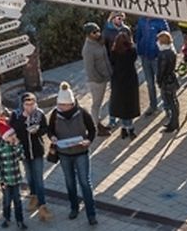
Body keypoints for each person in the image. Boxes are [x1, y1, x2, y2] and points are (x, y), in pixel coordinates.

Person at [47, 83, 98, 225]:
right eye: (60, 105)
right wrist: (52, 137)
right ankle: (74, 207)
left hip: (81, 152)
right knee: (69, 182)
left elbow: (92, 130)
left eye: (64, 105)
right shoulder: (55, 114)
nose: (61, 108)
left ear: (71, 104)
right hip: (64, 154)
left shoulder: (82, 113)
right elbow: (50, 130)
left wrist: (89, 141)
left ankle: (91, 214)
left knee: (85, 183)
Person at [11, 93, 51, 222]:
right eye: (27, 104)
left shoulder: (39, 114)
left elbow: (45, 128)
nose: (29, 107)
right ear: (22, 104)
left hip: (37, 150)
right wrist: (24, 119)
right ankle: (33, 196)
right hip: (24, 151)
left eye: (32, 104)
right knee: (29, 176)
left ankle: (42, 204)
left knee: (38, 178)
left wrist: (37, 131)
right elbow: (13, 129)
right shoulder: (16, 115)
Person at [0, 117, 27, 229]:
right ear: (5, 137)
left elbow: (21, 157)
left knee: (17, 201)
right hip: (6, 181)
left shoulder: (16, 145)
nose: (13, 137)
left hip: (16, 179)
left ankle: (20, 220)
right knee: (7, 201)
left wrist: (16, 146)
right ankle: (6, 218)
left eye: (13, 135)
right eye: (11, 135)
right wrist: (1, 180)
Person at [81, 23, 113, 137]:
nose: (98, 33)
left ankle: (100, 124)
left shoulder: (99, 42)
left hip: (106, 76)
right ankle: (97, 127)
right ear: (88, 34)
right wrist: (100, 79)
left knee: (99, 103)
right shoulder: (88, 49)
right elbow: (90, 69)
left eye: (98, 31)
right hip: (96, 81)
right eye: (94, 32)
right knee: (96, 104)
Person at [135, 16, 170, 116]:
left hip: (157, 57)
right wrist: (139, 48)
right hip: (145, 56)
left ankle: (167, 107)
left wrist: (161, 52)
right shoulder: (141, 20)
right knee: (150, 83)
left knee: (161, 83)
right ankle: (153, 106)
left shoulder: (161, 21)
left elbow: (166, 38)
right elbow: (138, 35)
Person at [109, 31, 141, 138]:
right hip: (130, 80)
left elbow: (112, 63)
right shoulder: (132, 51)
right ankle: (130, 128)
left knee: (121, 105)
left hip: (118, 81)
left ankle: (123, 127)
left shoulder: (114, 52)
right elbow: (134, 58)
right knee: (130, 105)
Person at [155, 30, 180, 132]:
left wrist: (159, 81)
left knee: (171, 103)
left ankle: (174, 124)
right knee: (174, 101)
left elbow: (161, 70)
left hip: (167, 82)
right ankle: (174, 122)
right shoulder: (172, 51)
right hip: (172, 79)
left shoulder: (163, 54)